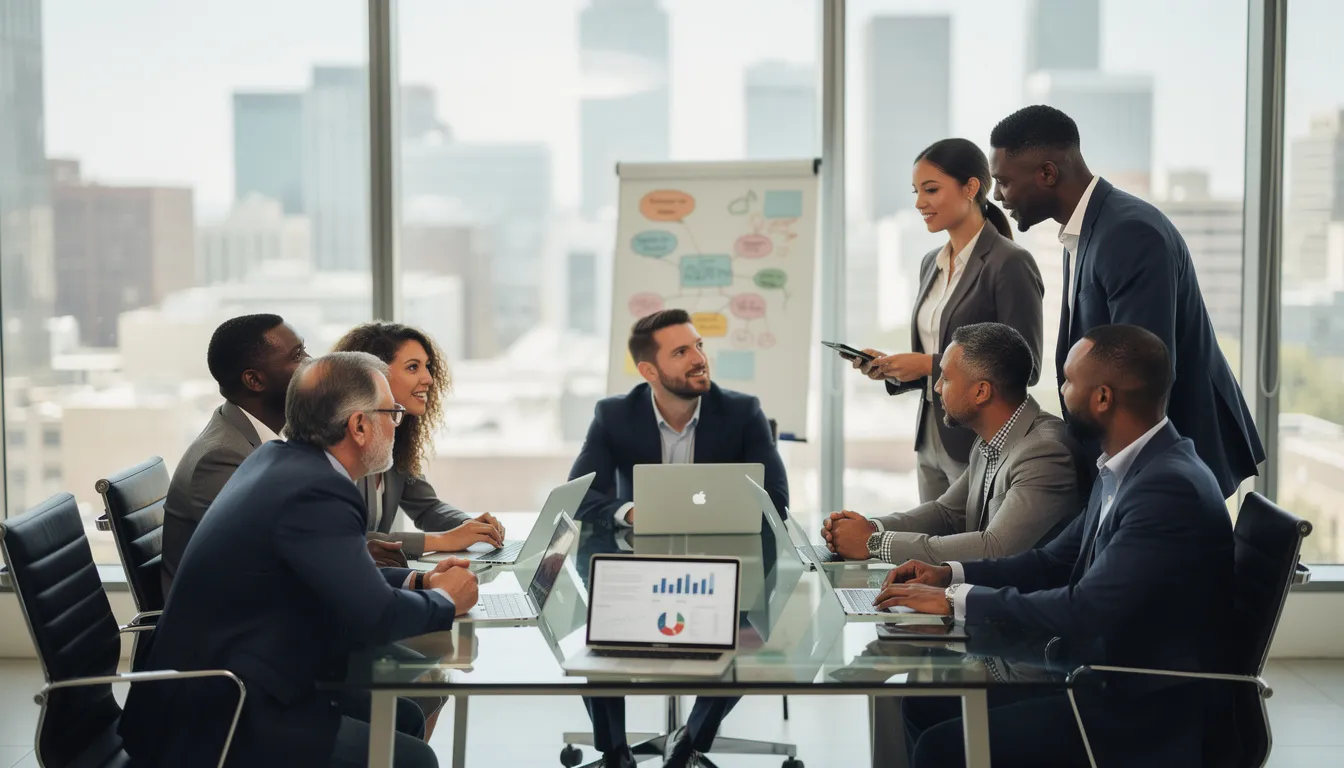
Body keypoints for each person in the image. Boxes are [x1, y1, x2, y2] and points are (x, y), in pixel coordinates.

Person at [877, 325, 1234, 767]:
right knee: (924, 705)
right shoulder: (1130, 467)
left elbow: (1085, 609)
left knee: (942, 748)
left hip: (1137, 707)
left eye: (1067, 381)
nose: (1060, 393)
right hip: (1099, 678)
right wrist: (949, 575)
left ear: (1102, 398)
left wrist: (955, 600)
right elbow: (1052, 561)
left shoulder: (1166, 488)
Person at [119, 352, 480, 768]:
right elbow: (376, 617)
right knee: (415, 760)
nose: (397, 424)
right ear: (359, 426)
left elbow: (339, 576)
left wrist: (419, 582)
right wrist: (448, 600)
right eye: (391, 413)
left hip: (234, 676)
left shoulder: (278, 458)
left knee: (406, 717)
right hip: (222, 710)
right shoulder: (318, 491)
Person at [987, 104, 1264, 497]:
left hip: (1166, 467)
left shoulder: (1129, 233)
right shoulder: (1085, 230)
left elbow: (1140, 380)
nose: (997, 196)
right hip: (1131, 460)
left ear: (1047, 173)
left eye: (1003, 182)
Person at [568, 308, 789, 768]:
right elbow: (581, 496)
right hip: (638, 563)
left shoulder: (742, 411)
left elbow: (777, 499)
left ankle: (690, 740)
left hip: (725, 567)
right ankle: (615, 751)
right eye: (682, 351)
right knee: (598, 624)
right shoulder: (614, 415)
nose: (699, 358)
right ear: (649, 371)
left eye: (699, 346)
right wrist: (631, 511)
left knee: (750, 633)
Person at [851, 138, 1044, 503]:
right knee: (930, 536)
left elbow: (1026, 367)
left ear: (970, 188)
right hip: (930, 435)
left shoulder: (1009, 263)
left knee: (969, 538)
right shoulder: (931, 263)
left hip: (978, 439)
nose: (919, 203)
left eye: (931, 190)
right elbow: (938, 358)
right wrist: (894, 369)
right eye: (916, 192)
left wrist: (927, 364)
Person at [823, 322, 1081, 565]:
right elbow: (947, 513)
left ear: (981, 392)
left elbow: (994, 548)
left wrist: (873, 543)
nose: (936, 387)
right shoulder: (990, 439)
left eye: (945, 378)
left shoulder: (1044, 453)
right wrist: (870, 528)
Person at [161, 314, 309, 594]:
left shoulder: (258, 439)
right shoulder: (220, 459)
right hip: (232, 618)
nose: (311, 364)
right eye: (298, 356)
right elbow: (268, 559)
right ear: (254, 380)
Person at [333, 322, 505, 559]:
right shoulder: (342, 443)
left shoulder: (394, 438)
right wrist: (443, 540)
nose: (429, 379)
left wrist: (470, 527)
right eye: (413, 367)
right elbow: (348, 537)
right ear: (374, 375)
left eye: (427, 367)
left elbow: (427, 508)